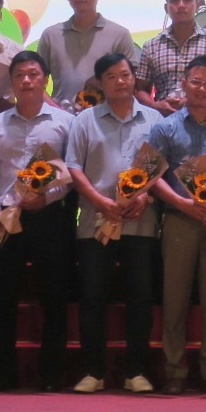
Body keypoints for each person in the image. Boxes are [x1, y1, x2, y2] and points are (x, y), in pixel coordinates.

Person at [64, 51, 162, 393]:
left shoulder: (154, 120)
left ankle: (137, 371)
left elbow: (160, 168)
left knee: (141, 297)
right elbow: (73, 167)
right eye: (111, 77)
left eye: (125, 75)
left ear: (134, 77)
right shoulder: (84, 120)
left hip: (140, 222)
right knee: (92, 297)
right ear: (100, 83)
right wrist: (99, 200)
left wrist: (145, 197)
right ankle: (93, 371)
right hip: (96, 221)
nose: (120, 82)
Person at [0, 49, 73, 392]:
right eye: (20, 75)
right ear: (12, 82)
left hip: (50, 217)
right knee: (2, 298)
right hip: (4, 218)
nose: (27, 80)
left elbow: (72, 174)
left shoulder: (66, 122)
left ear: (45, 79)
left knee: (54, 297)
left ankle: (52, 374)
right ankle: (3, 374)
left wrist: (47, 197)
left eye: (33, 74)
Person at [147, 55, 206, 395]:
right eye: (195, 82)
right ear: (184, 84)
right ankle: (175, 371)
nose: (201, 89)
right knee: (175, 298)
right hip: (178, 221)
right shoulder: (165, 127)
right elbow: (150, 175)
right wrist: (182, 202)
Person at [37, 0, 140, 109]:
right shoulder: (50, 35)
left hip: (106, 116)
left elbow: (131, 81)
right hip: (61, 115)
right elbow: (36, 80)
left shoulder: (120, 34)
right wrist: (56, 111)